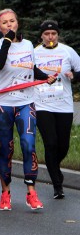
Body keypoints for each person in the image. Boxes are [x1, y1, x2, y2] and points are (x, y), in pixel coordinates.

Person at [0, 9, 56, 211]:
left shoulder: (28, 45)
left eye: (12, 21)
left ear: (18, 22)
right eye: (5, 23)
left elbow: (30, 67)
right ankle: (5, 193)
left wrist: (45, 76)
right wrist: (7, 41)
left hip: (26, 101)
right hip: (3, 104)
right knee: (6, 149)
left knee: (28, 145)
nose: (10, 25)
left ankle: (31, 192)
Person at [34, 20, 80, 199]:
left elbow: (79, 70)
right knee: (51, 143)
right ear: (42, 36)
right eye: (47, 34)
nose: (50, 37)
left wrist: (74, 75)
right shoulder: (35, 53)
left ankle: (54, 167)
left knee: (63, 145)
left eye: (53, 34)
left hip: (64, 104)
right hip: (42, 104)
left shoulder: (68, 51)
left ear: (58, 35)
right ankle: (57, 184)